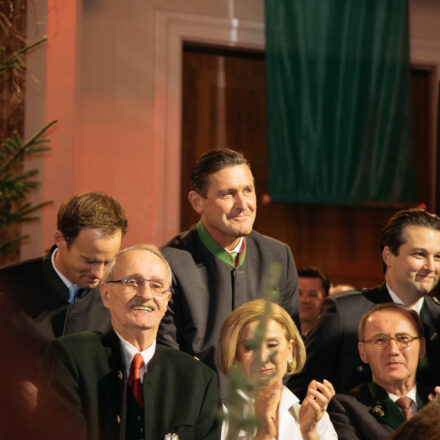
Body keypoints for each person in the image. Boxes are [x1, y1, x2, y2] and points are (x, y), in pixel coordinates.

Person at [36, 244, 221, 440]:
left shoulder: (198, 379)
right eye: (132, 282)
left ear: (167, 301)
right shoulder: (70, 359)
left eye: (156, 286)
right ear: (106, 295)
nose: (146, 295)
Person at [158, 148, 299, 389]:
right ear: (197, 201)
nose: (243, 205)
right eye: (228, 195)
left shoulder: (279, 256)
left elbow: (289, 344)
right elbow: (167, 355)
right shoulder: (168, 262)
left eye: (248, 190)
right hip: (198, 409)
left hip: (262, 406)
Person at [288, 208, 440, 399]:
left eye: (438, 257)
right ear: (388, 256)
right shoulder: (345, 313)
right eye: (419, 254)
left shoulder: (438, 319)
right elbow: (303, 390)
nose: (431, 267)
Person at [0, 192, 127, 381]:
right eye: (89, 261)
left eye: (108, 262)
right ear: (60, 240)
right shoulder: (7, 286)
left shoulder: (118, 294)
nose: (99, 274)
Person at [218, 299, 337, 440]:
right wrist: (264, 432)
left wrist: (309, 433)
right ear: (236, 356)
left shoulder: (315, 415)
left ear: (290, 350)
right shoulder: (220, 416)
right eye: (249, 347)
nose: (262, 358)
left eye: (272, 345)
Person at [328, 303, 440, 440]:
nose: (393, 351)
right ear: (363, 352)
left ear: (422, 348)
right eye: (380, 340)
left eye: (403, 339)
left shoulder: (435, 402)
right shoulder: (346, 407)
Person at [298, 267, 329, 336]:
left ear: (326, 299)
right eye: (299, 293)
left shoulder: (334, 338)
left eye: (313, 294)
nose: (305, 300)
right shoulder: (273, 332)